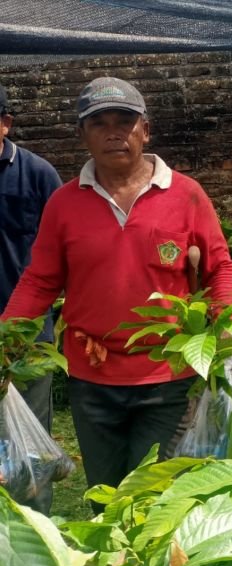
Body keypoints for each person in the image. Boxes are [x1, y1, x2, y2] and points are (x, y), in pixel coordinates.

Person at [1, 77, 232, 498]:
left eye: (125, 122)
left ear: (145, 130)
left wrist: (226, 334)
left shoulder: (186, 195)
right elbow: (40, 280)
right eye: (99, 123)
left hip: (167, 374)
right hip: (92, 379)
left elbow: (219, 268)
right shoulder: (65, 203)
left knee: (153, 498)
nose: (114, 132)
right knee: (106, 496)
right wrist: (4, 339)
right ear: (83, 135)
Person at [0, 83, 63, 514]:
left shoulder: (37, 174)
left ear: (5, 123)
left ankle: (36, 526)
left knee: (29, 433)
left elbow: (64, 248)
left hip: (27, 332)